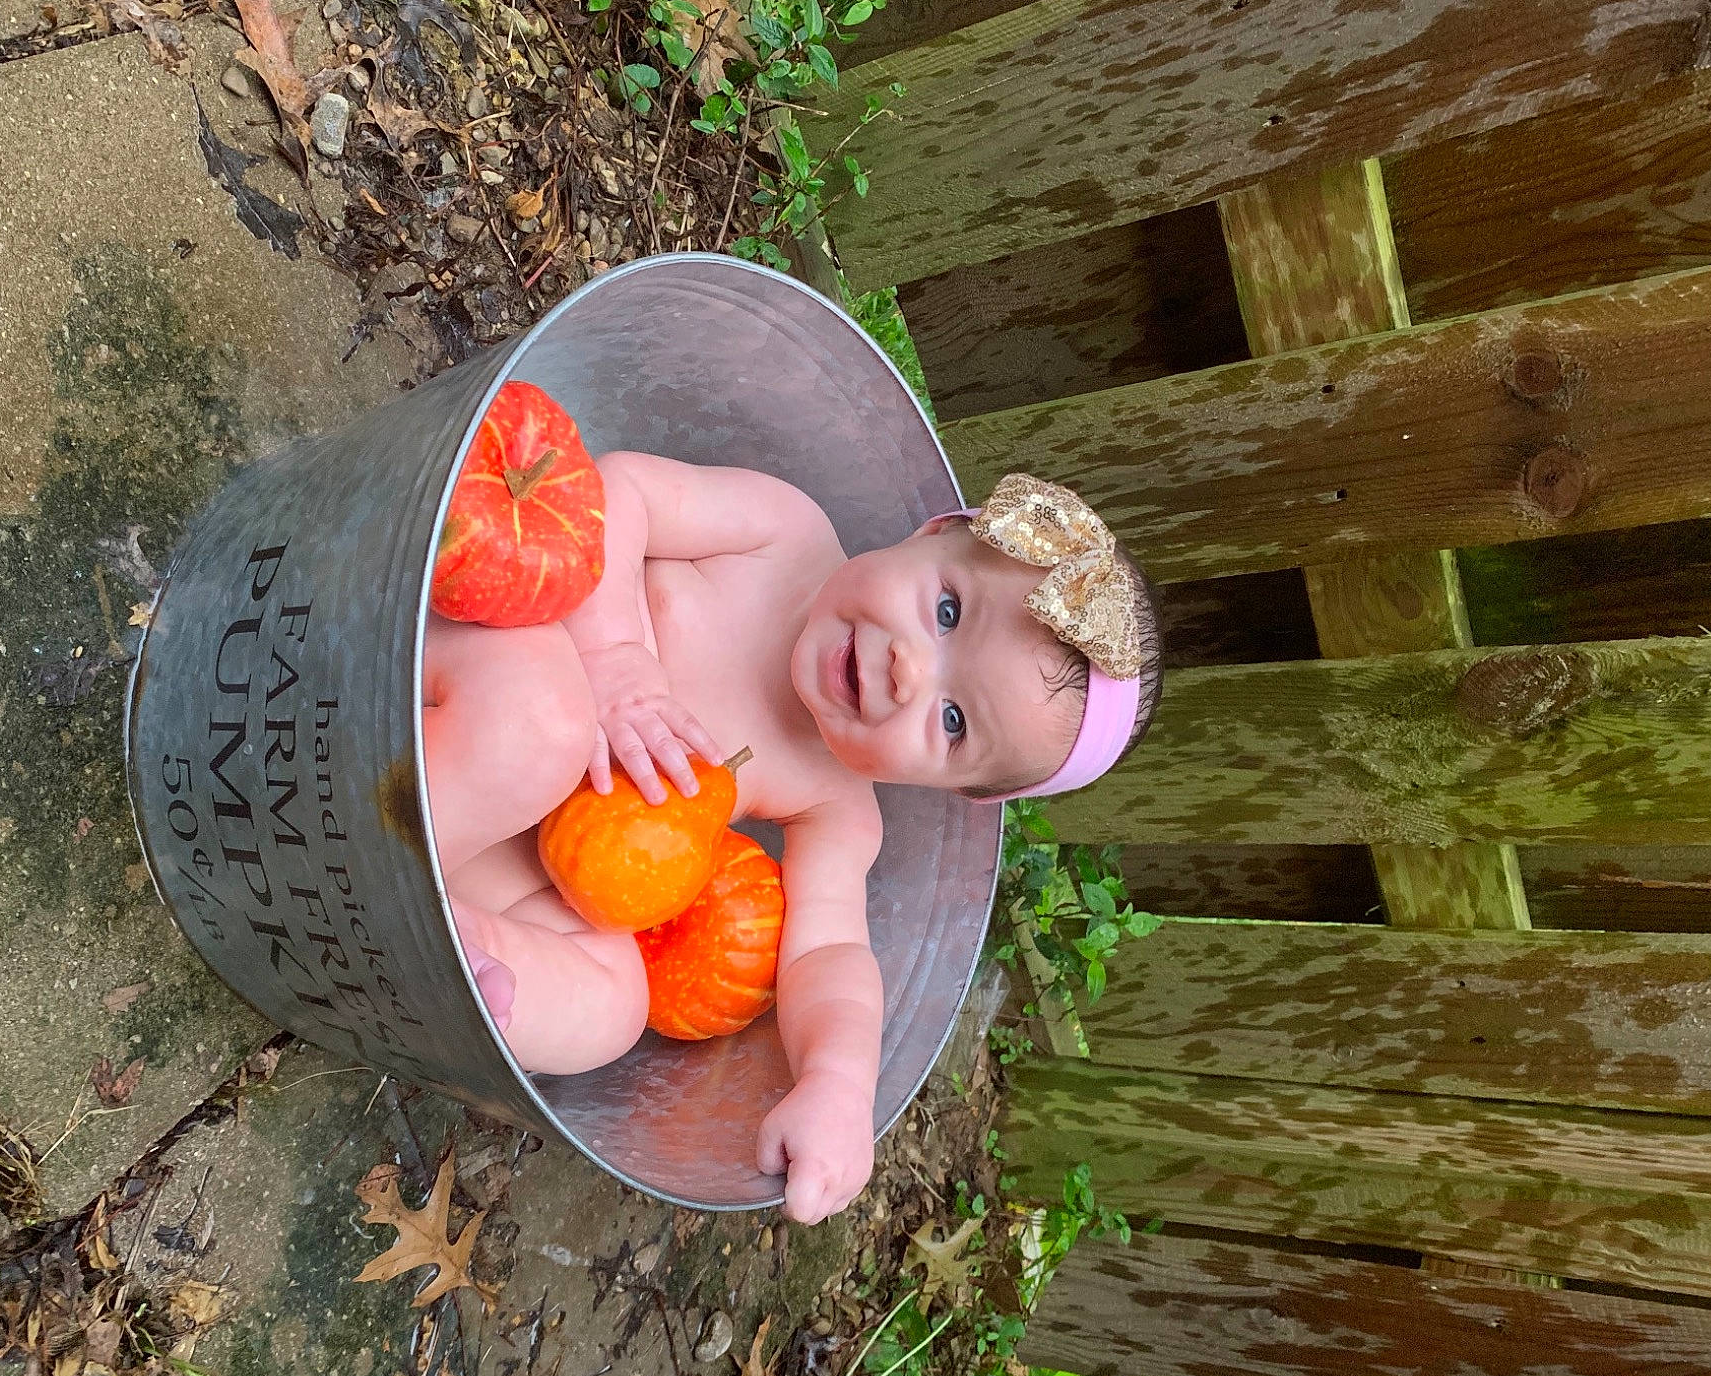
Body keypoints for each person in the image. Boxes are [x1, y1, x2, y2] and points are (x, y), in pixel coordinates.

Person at [422, 464, 1165, 1223]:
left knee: (614, 1002)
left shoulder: (835, 808)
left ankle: (445, 949)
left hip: (500, 861)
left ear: (953, 793)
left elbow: (827, 960)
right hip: (468, 685)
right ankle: (378, 849)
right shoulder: (782, 532)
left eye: (953, 722)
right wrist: (614, 660)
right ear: (933, 533)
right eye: (947, 611)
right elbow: (618, 491)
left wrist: (840, 1083)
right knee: (543, 726)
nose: (910, 672)